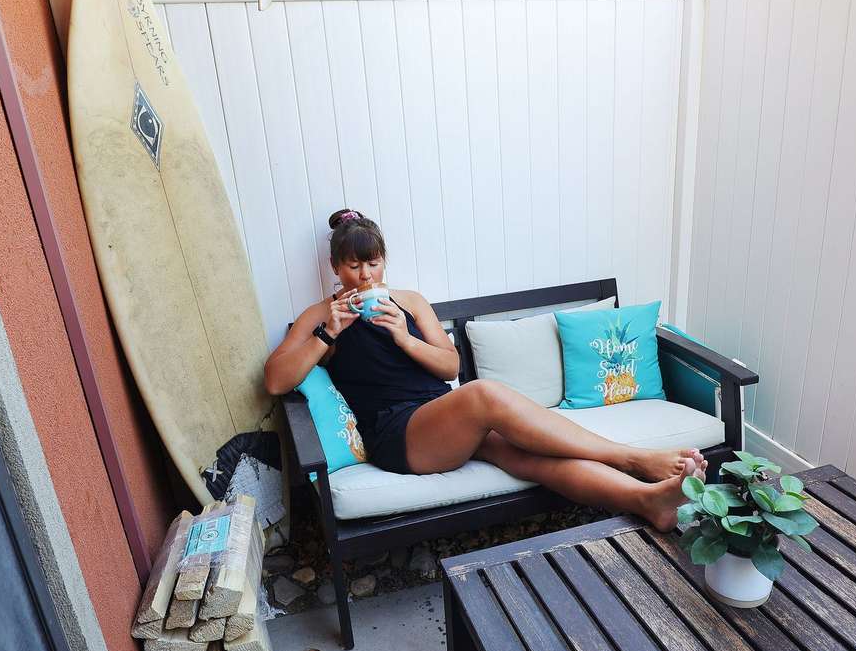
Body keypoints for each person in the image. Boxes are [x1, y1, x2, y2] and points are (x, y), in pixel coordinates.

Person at [263, 208, 706, 531]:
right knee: (484, 393)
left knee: (535, 460)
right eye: (353, 265)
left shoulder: (410, 302)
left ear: (384, 260)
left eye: (373, 263)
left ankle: (648, 502)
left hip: (445, 418)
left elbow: (449, 366)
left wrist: (404, 336)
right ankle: (635, 458)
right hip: (398, 435)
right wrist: (327, 333)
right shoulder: (320, 314)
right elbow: (276, 378)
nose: (364, 275)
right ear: (335, 267)